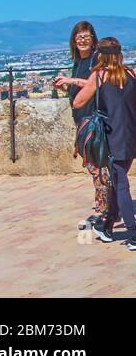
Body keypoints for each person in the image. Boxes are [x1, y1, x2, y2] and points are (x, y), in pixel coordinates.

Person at [72, 37, 136, 250]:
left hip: (112, 137)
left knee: (121, 185)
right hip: (131, 135)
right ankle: (107, 227)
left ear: (100, 55)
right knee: (119, 181)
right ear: (119, 54)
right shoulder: (131, 74)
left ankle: (133, 233)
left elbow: (78, 101)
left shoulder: (99, 76)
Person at [54, 21, 109, 230]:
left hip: (95, 121)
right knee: (94, 168)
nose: (82, 40)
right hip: (82, 121)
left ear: (93, 39)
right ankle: (104, 208)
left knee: (100, 169)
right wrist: (65, 86)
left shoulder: (97, 60)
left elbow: (100, 83)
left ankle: (105, 211)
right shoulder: (78, 62)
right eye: (78, 37)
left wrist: (73, 80)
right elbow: (77, 92)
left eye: (86, 36)